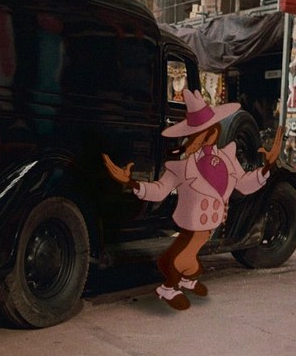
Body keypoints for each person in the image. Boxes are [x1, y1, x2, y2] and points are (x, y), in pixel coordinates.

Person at [102, 89, 283, 310]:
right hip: (193, 221)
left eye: (200, 133)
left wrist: (266, 168)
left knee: (185, 254)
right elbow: (160, 190)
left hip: (213, 221)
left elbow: (244, 183)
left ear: (213, 132)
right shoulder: (181, 166)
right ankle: (168, 287)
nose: (194, 140)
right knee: (182, 257)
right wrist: (132, 183)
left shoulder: (227, 157)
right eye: (192, 134)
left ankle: (186, 278)